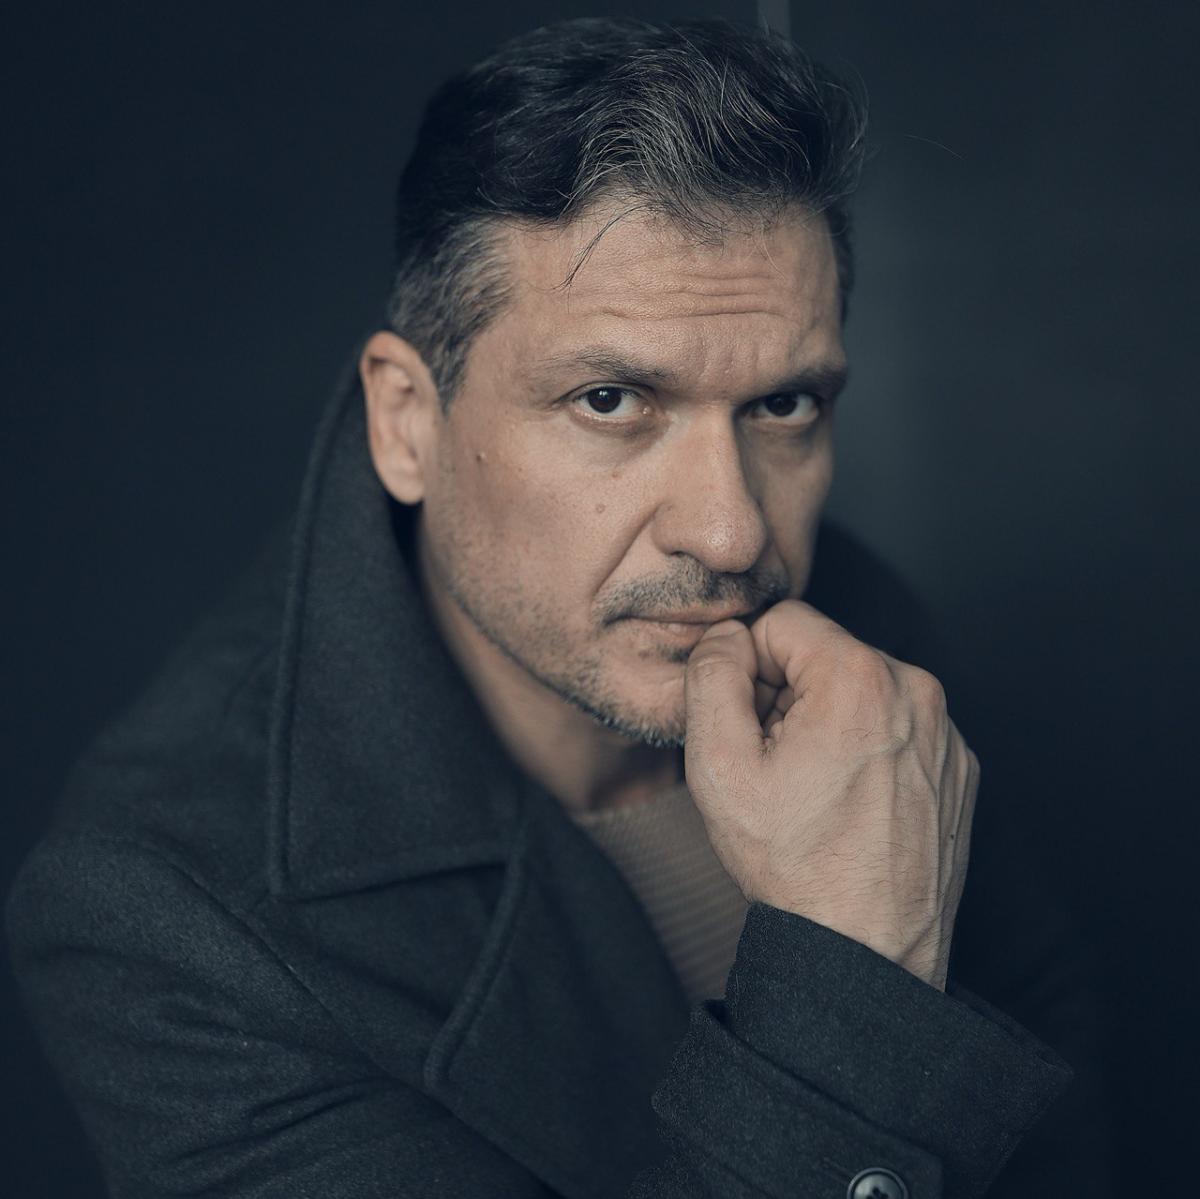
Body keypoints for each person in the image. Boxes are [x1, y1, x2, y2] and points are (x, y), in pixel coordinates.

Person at [6, 17, 1110, 1199]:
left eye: (784, 403)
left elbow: (1065, 1141)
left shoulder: (861, 626)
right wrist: (851, 984)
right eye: (611, 399)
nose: (732, 534)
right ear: (407, 423)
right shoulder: (166, 912)